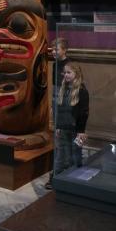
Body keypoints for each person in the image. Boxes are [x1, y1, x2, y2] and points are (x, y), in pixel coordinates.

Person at [54, 62, 89, 175]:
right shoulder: (63, 89)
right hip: (63, 127)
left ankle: (75, 176)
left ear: (77, 74)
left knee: (75, 154)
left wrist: (81, 131)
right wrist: (58, 126)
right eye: (65, 72)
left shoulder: (82, 91)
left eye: (69, 72)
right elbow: (60, 110)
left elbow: (84, 113)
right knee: (62, 153)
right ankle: (58, 176)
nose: (66, 75)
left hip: (75, 129)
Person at [45, 38, 70, 189]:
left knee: (62, 137)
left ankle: (59, 171)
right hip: (57, 102)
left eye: (57, 49)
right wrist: (53, 105)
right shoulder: (55, 64)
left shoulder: (70, 65)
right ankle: (60, 168)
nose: (54, 52)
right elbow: (55, 86)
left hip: (66, 104)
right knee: (58, 136)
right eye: (53, 49)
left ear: (65, 50)